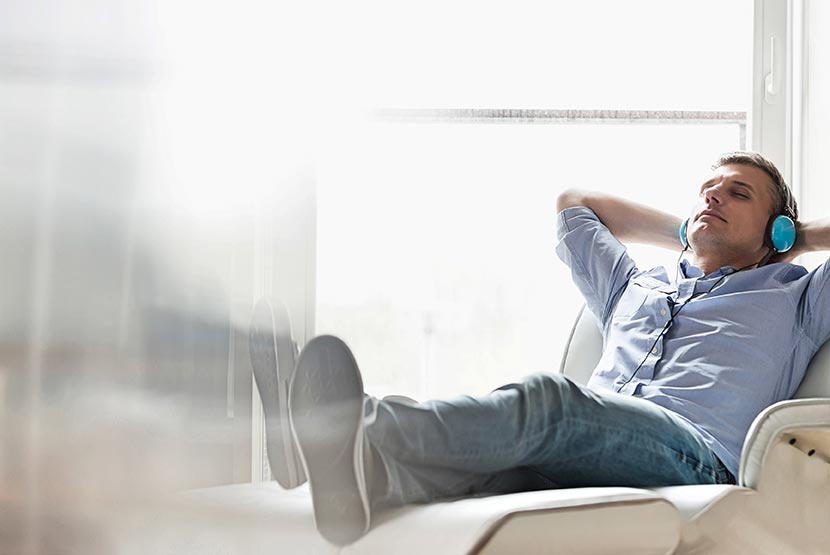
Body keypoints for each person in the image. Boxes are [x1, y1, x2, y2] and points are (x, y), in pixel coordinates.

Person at [252, 151, 830, 546]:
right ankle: (361, 473)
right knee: (500, 471)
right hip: (591, 446)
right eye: (707, 190)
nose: (713, 198)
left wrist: (796, 241)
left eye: (737, 193)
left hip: (695, 455)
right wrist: (687, 229)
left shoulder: (796, 299)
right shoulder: (636, 286)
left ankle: (345, 426)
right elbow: (574, 204)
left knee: (548, 404)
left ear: (775, 228)